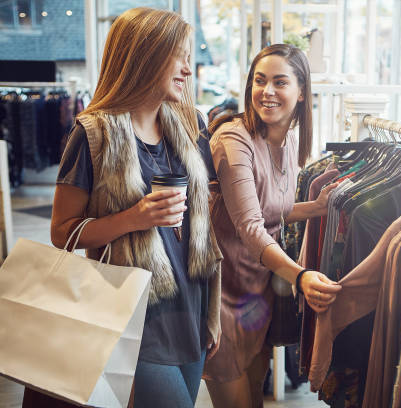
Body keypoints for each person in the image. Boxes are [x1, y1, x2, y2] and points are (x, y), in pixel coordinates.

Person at [25, 8, 222, 408]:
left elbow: (205, 230)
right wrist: (135, 218)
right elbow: (63, 232)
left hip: (191, 308)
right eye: (178, 55)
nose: (188, 68)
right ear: (145, 56)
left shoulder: (191, 126)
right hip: (132, 314)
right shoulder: (94, 133)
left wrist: (212, 312)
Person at [203, 43, 342, 407]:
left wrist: (317, 207)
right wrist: (300, 275)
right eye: (259, 80)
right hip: (221, 296)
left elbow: (272, 209)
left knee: (254, 399)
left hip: (256, 294)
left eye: (280, 82)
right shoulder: (234, 139)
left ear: (300, 92)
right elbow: (250, 225)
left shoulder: (288, 143)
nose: (267, 91)